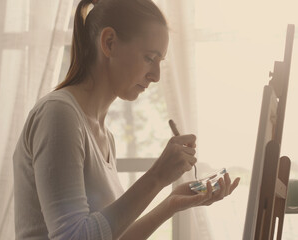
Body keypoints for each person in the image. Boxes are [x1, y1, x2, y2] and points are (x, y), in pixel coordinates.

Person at [13, 0, 240, 239]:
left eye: (159, 61)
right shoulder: (58, 114)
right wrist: (156, 177)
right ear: (109, 43)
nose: (156, 76)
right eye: (149, 58)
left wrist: (172, 203)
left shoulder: (104, 136)